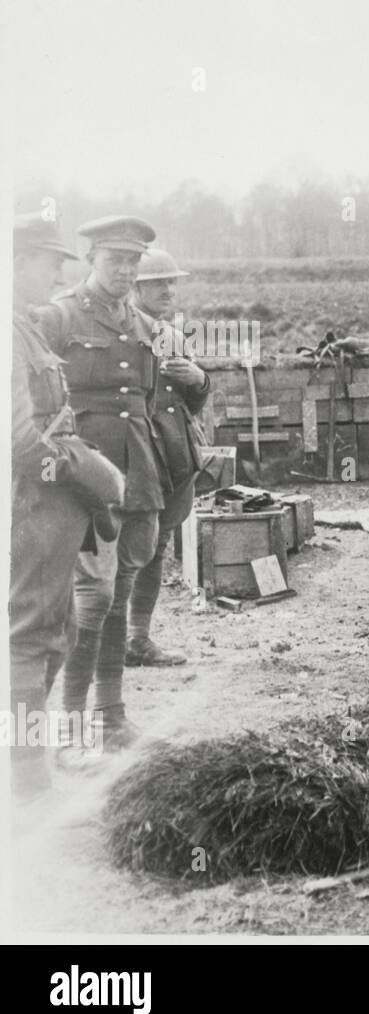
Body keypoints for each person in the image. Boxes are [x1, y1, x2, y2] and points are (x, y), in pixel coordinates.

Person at [36, 215, 166, 753]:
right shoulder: (59, 316)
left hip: (136, 471)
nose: (125, 270)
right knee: (91, 600)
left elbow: (149, 403)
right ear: (91, 259)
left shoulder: (141, 323)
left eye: (133, 261)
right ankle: (69, 726)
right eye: (115, 260)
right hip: (82, 474)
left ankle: (110, 716)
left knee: (122, 592)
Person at [10, 213, 124, 795]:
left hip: (46, 507)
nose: (58, 271)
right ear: (18, 260)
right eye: (50, 260)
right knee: (29, 639)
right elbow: (21, 442)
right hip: (31, 506)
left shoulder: (23, 325)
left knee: (55, 634)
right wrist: (87, 473)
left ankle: (26, 764)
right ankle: (26, 776)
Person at [126, 247, 211, 666]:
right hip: (135, 455)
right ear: (136, 286)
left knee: (156, 547)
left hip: (174, 456)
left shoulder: (175, 336)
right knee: (124, 549)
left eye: (172, 282)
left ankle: (137, 638)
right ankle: (108, 641)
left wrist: (199, 380)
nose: (168, 289)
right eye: (158, 282)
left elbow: (191, 407)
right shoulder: (123, 331)